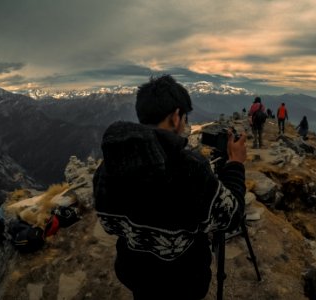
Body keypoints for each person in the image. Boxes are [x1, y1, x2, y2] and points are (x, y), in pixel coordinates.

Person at [93, 75, 247, 300]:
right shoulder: (191, 169)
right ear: (176, 117)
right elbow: (230, 216)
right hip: (183, 283)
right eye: (185, 118)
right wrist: (235, 165)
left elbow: (109, 224)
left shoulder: (108, 166)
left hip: (135, 275)